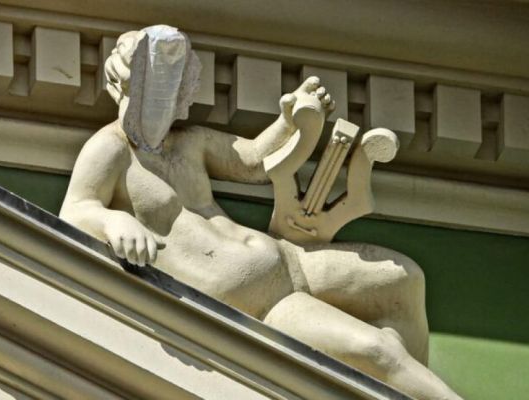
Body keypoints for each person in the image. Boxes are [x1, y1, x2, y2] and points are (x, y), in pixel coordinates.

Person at [60, 25, 462, 400]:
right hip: (256, 303)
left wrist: (289, 120)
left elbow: (252, 160)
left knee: (404, 278)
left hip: (288, 261)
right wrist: (113, 220)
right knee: (377, 351)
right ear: (126, 81)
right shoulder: (111, 149)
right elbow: (75, 211)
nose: (165, 94)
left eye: (173, 81)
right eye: (155, 81)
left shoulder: (189, 142)